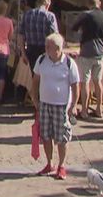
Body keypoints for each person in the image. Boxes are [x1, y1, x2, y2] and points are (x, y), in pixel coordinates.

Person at [30, 33, 79, 181]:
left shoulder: (69, 63)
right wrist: (34, 99)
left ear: (58, 49)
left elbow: (75, 85)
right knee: (45, 135)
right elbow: (35, 80)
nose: (45, 49)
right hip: (45, 103)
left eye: (48, 47)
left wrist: (74, 105)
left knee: (62, 137)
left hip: (61, 105)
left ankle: (61, 165)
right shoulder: (42, 60)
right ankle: (49, 163)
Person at [72, 0, 103, 118]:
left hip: (86, 52)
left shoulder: (86, 15)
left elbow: (74, 27)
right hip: (100, 51)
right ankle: (99, 109)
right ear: (99, 3)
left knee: (85, 82)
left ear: (88, 4)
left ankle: (84, 111)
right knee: (98, 81)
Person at [19, 0, 57, 69]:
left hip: (31, 49)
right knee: (46, 75)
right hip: (45, 49)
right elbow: (54, 36)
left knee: (35, 74)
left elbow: (21, 35)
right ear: (47, 4)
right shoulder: (50, 16)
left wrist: (23, 53)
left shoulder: (26, 14)